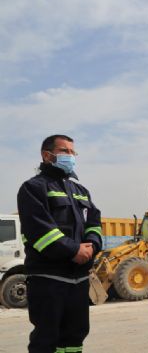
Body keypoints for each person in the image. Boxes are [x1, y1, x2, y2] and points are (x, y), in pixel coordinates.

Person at [17, 134, 102, 353]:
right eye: (65, 152)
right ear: (47, 155)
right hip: (48, 279)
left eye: (73, 152)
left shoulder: (81, 191)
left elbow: (94, 223)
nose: (71, 157)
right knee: (47, 338)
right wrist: (73, 250)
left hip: (79, 279)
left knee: (75, 337)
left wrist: (92, 245)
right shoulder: (33, 188)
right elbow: (39, 231)